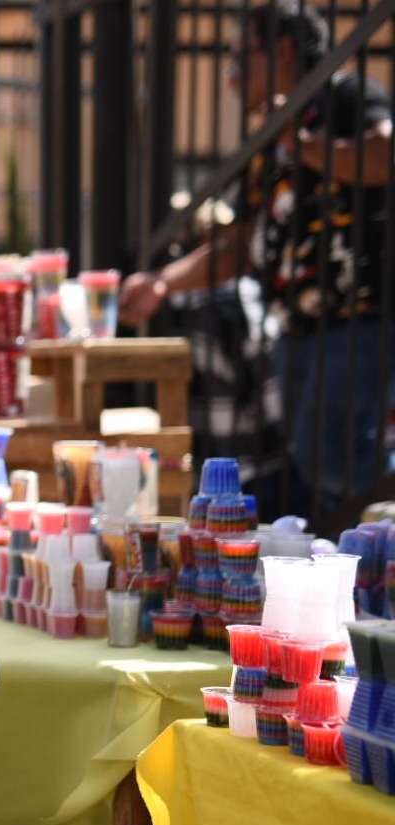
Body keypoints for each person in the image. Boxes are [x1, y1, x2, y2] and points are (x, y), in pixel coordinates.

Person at [120, 0, 392, 517]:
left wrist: (301, 142)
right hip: (296, 327)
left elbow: (383, 156)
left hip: (359, 323)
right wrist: (162, 283)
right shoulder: (267, 144)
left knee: (336, 458)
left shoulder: (347, 97)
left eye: (239, 60)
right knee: (319, 463)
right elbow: (240, 246)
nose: (230, 78)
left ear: (284, 52)